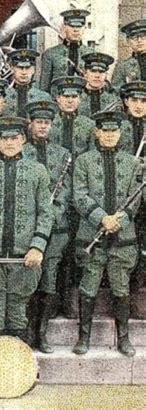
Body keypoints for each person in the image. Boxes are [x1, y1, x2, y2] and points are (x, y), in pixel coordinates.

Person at [0, 116, 53, 343]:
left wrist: (37, 247)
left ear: (23, 139)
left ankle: (16, 372)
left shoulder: (38, 171)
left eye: (14, 138)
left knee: (17, 315)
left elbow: (46, 213)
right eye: (4, 138)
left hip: (24, 257)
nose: (9, 143)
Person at [73, 111, 142, 357]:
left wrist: (117, 221)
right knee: (88, 287)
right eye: (105, 131)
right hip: (92, 233)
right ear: (97, 133)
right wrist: (102, 217)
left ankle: (123, 338)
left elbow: (135, 199)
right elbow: (79, 195)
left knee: (120, 287)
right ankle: (84, 337)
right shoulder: (84, 161)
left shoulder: (132, 163)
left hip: (122, 238)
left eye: (114, 131)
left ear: (120, 134)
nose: (110, 135)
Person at [24, 100, 72, 352]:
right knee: (29, 276)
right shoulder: (21, 151)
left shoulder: (62, 154)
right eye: (38, 122)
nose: (42, 126)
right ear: (30, 124)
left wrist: (51, 214)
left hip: (56, 228)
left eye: (47, 123)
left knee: (49, 278)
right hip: (27, 227)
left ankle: (41, 333)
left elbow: (65, 191)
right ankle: (28, 329)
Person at [49, 75, 95, 318]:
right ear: (57, 98)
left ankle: (70, 299)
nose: (69, 100)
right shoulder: (50, 123)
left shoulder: (88, 126)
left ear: (80, 98)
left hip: (80, 191)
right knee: (55, 249)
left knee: (75, 250)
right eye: (65, 96)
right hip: (56, 193)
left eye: (74, 96)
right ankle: (52, 300)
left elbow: (91, 160)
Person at [119, 81, 146, 319]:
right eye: (135, 100)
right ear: (126, 101)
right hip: (124, 194)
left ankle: (139, 296)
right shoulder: (117, 127)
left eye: (144, 101)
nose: (139, 106)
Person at [39, 9, 93, 92]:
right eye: (72, 26)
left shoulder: (91, 54)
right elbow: (44, 87)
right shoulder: (51, 54)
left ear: (84, 28)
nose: (76, 30)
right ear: (64, 27)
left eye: (79, 26)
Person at [5, 49, 51, 117]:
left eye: (28, 68)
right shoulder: (4, 96)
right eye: (20, 68)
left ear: (33, 70)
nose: (24, 72)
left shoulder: (43, 97)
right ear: (12, 69)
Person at [78, 52, 117, 117]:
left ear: (106, 75)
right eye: (93, 71)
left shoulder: (113, 101)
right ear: (85, 73)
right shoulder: (76, 99)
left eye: (101, 72)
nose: (97, 76)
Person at [112, 20, 146, 89]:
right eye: (134, 38)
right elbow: (115, 91)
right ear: (128, 41)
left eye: (143, 37)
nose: (139, 41)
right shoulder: (123, 66)